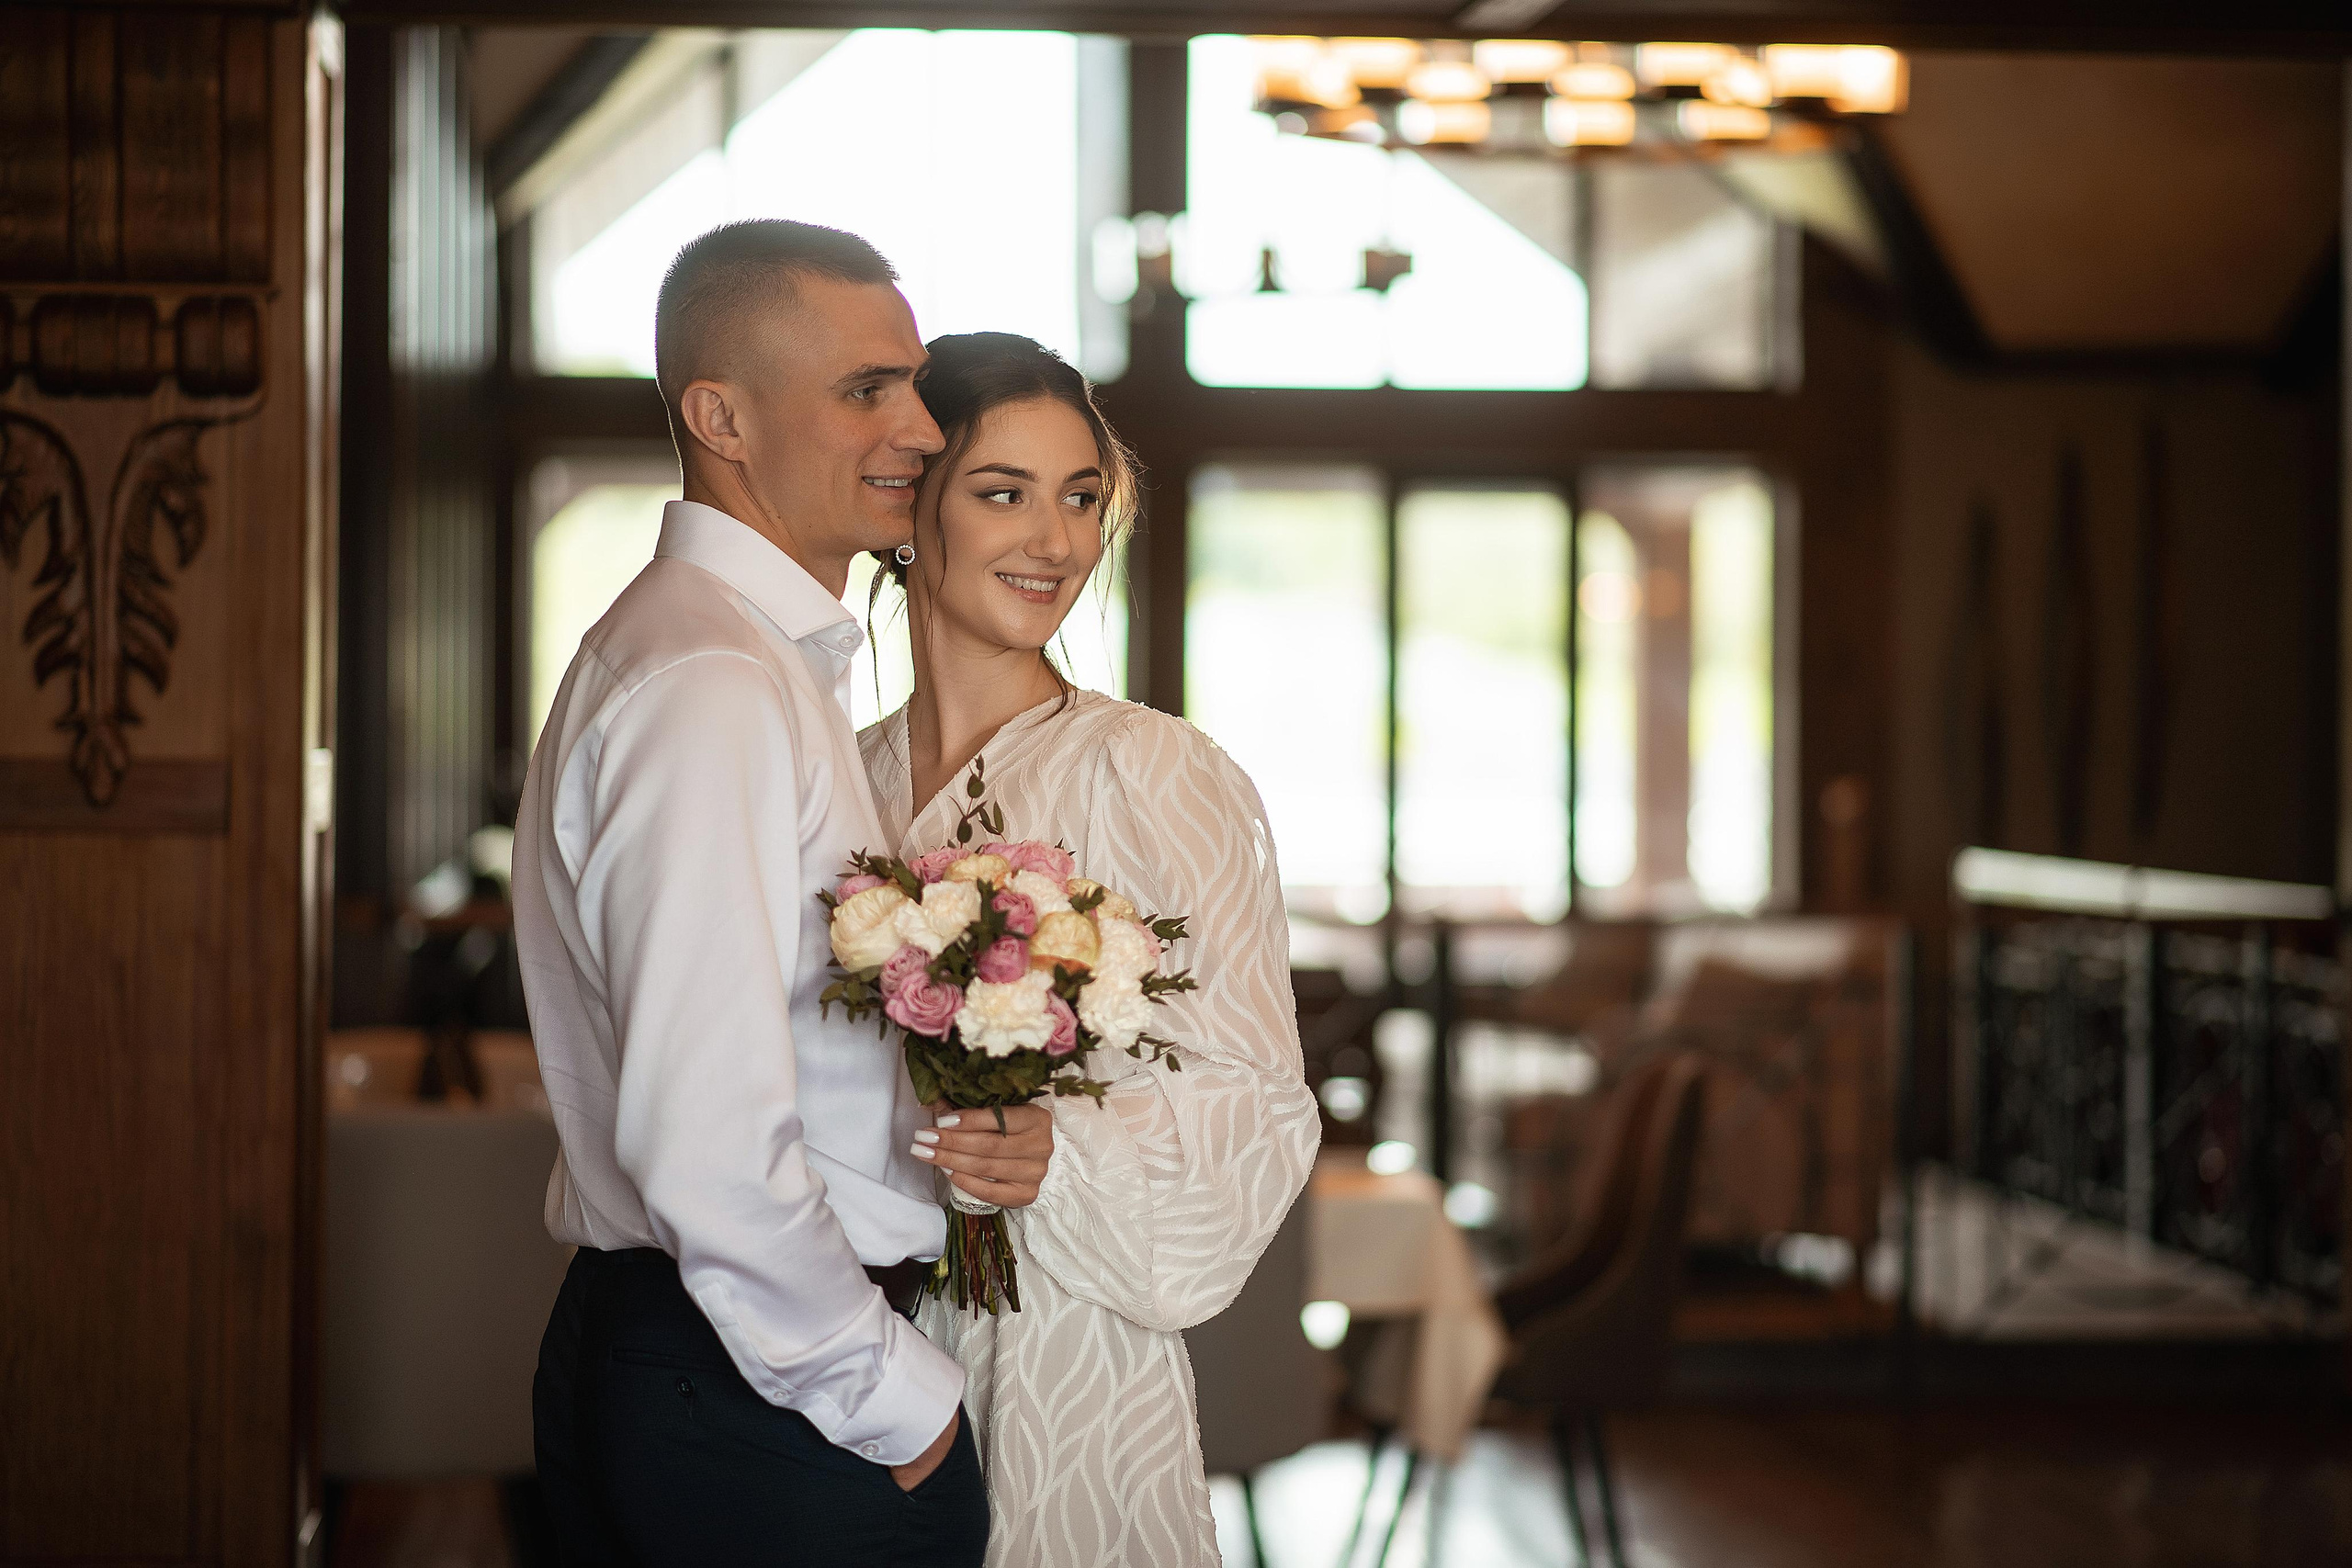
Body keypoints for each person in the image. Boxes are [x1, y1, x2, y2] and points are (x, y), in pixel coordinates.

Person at [511, 222, 1054, 1564]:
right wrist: (890, 1399)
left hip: (715, 1363)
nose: (922, 430)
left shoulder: (740, 661)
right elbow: (707, 1132)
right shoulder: (711, 684)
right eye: (868, 390)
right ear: (721, 417)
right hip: (757, 1389)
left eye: (915, 386)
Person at [859, 333, 1321, 1567]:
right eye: (1003, 492)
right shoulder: (828, 780)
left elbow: (1259, 1101)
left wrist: (1060, 1151)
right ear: (910, 506)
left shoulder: (1154, 772)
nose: (1055, 542)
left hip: (1069, 1351)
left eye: (1079, 498)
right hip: (846, 1362)